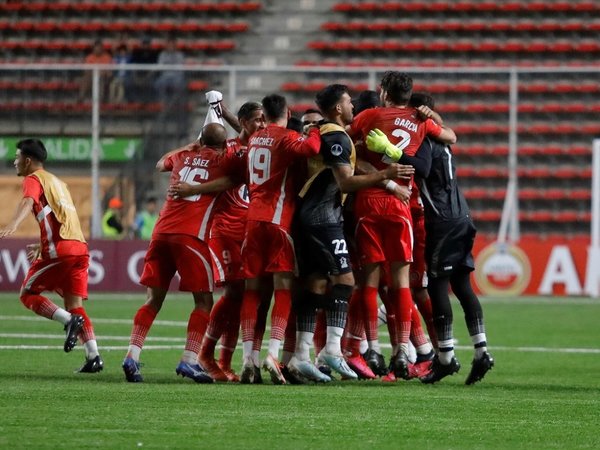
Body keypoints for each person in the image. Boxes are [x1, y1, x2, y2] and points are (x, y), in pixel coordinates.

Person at [288, 84, 412, 382]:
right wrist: (386, 175)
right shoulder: (336, 137)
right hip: (323, 218)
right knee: (345, 280)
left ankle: (301, 356)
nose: (353, 106)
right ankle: (331, 349)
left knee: (317, 282)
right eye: (347, 102)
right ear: (337, 109)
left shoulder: (330, 134)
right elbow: (345, 182)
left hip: (310, 216)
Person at [380, 92, 494, 385]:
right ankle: (481, 351)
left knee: (438, 287)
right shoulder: (444, 141)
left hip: (442, 220)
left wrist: (392, 151)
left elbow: (423, 168)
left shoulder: (426, 141)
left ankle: (444, 357)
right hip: (462, 216)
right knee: (462, 284)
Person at [349, 71, 456, 379]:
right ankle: (401, 351)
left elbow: (346, 137)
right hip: (401, 205)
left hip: (368, 201)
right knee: (401, 282)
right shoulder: (420, 120)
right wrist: (428, 114)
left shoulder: (370, 115)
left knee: (369, 280)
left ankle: (371, 346)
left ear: (383, 92)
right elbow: (451, 136)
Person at [121, 123, 240, 383]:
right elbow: (234, 179)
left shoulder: (183, 156)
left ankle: (132, 354)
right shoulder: (223, 159)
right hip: (190, 236)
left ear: (199, 140)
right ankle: (188, 360)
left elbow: (160, 163)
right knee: (203, 301)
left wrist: (189, 147)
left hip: (161, 233)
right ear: (222, 144)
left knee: (152, 299)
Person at [238, 93, 321, 384]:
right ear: (286, 112)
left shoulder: (253, 139)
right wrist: (315, 129)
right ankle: (273, 353)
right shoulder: (286, 137)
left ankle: (248, 357)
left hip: (252, 223)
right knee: (283, 288)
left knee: (252, 291)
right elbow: (311, 147)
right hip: (277, 222)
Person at [0, 139, 103, 373]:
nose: (15, 162)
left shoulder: (33, 179)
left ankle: (68, 321)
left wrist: (13, 224)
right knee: (74, 303)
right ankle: (93, 355)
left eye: (17, 158)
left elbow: (28, 201)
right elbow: (63, 217)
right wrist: (42, 242)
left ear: (27, 160)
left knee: (27, 294)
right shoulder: (58, 182)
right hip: (79, 247)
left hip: (61, 249)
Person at [154, 36, 186, 104]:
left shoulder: (179, 55)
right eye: (169, 45)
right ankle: (163, 101)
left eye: (172, 45)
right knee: (158, 83)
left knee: (179, 84)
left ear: (175, 46)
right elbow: (160, 66)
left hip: (176, 76)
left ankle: (175, 102)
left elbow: (180, 67)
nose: (170, 47)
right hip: (165, 76)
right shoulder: (162, 54)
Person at [125, 36, 158, 102]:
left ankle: (149, 102)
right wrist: (136, 78)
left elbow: (154, 68)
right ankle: (132, 102)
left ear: (149, 44)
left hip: (149, 75)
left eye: (147, 43)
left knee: (152, 84)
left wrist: (146, 77)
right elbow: (132, 66)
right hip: (137, 74)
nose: (145, 45)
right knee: (128, 82)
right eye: (144, 43)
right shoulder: (136, 52)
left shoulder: (154, 53)